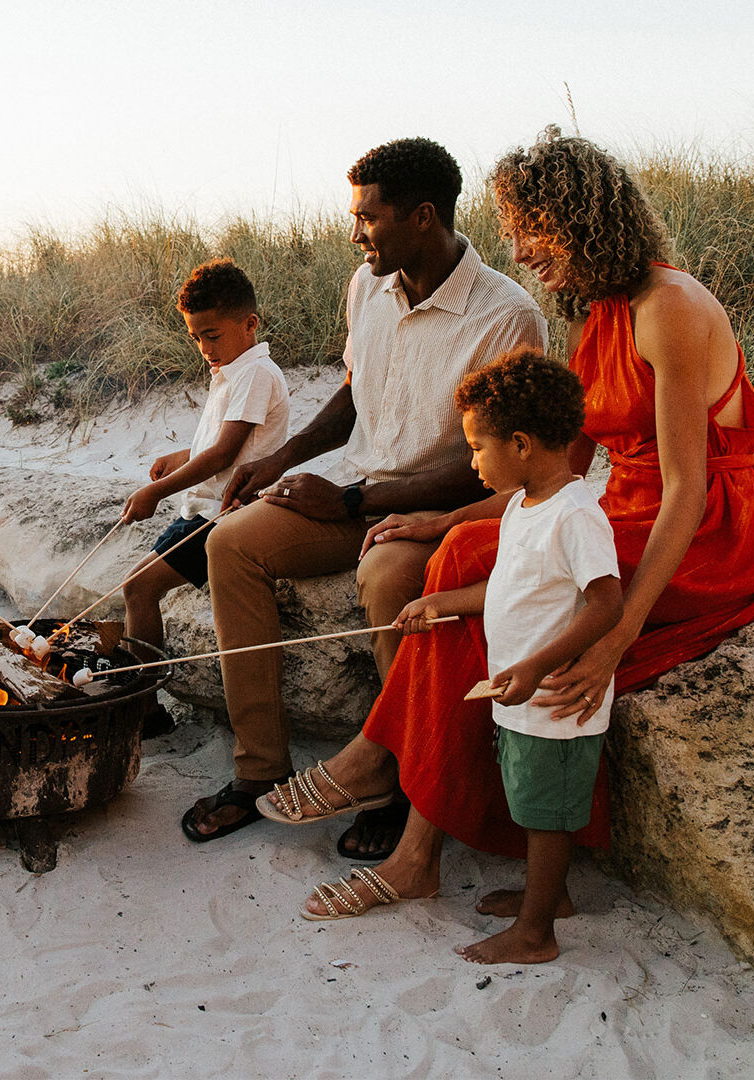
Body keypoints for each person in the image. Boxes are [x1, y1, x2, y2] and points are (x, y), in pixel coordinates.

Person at [269, 128, 754, 931]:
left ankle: (405, 826)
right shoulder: (604, 318)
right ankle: (399, 787)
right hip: (622, 508)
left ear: (581, 219)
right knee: (456, 555)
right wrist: (445, 515)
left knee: (513, 593)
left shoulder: (670, 308)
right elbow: (562, 478)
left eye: (532, 230)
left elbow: (687, 491)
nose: (520, 252)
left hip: (703, 533)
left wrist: (615, 636)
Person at [181, 138, 545, 844]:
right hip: (365, 491)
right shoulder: (365, 286)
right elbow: (356, 389)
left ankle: (401, 786)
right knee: (231, 543)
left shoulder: (508, 316)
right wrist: (284, 457)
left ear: (423, 218)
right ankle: (259, 767)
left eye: (369, 218)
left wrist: (350, 503)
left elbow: (496, 463)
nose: (355, 235)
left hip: (446, 515)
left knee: (385, 580)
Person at [304, 350, 621, 970]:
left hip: (551, 697)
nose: (472, 462)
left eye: (478, 447)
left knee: (545, 813)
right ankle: (546, 900)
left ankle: (536, 933)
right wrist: (440, 600)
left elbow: (605, 603)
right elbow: (511, 588)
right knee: (531, 801)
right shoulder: (525, 506)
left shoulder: (577, 514)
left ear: (523, 444)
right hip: (519, 693)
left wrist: (536, 666)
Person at [118, 259, 289, 676]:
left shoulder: (255, 374)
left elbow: (224, 455)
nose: (204, 348)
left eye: (212, 335)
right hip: (202, 513)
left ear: (250, 324)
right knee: (135, 587)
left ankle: (144, 705)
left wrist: (155, 492)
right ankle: (140, 694)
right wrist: (179, 458)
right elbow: (215, 445)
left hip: (223, 516)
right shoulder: (231, 372)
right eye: (196, 337)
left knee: (138, 588)